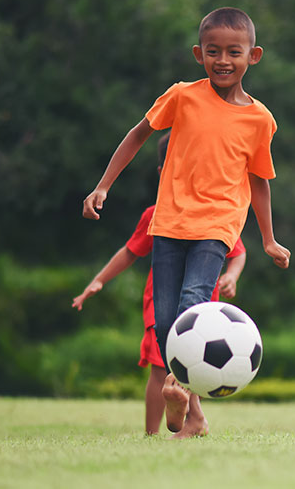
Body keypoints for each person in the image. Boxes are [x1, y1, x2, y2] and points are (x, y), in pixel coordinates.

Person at [81, 7, 290, 439]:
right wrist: (103, 186)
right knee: (163, 326)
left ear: (254, 56)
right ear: (199, 54)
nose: (223, 60)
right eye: (213, 51)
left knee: (193, 303)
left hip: (217, 225)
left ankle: (179, 394)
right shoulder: (182, 96)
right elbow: (139, 133)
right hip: (169, 223)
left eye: (234, 51)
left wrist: (268, 239)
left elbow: (260, 181)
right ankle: (193, 416)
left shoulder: (259, 119)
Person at [72, 133, 248, 435]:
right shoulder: (155, 216)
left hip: (204, 308)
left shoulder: (213, 215)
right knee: (161, 368)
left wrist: (231, 276)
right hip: (161, 303)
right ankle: (155, 433)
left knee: (188, 361)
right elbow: (129, 252)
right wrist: (98, 280)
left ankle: (194, 420)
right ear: (162, 173)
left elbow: (238, 252)